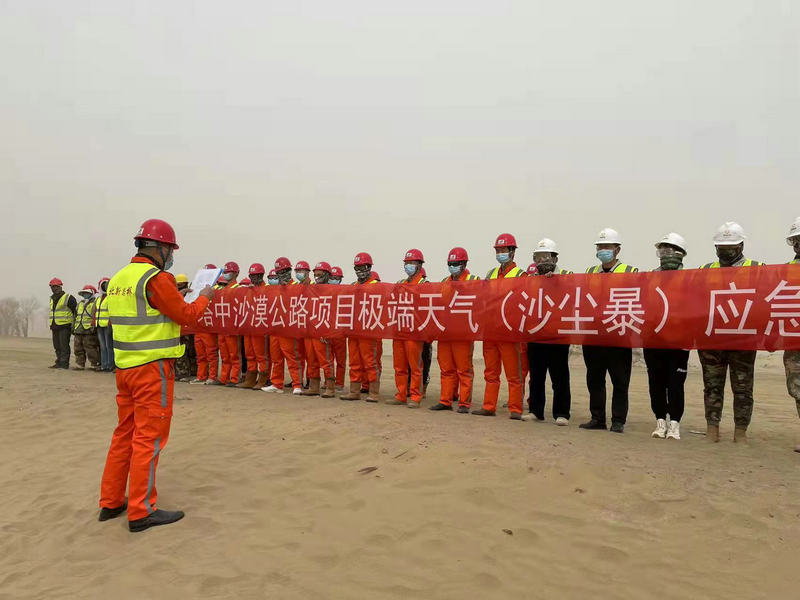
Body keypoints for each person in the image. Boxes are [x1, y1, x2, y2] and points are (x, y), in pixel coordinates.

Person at [99, 218, 214, 532]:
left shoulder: (120, 278)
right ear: (160, 247)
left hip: (125, 369)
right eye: (170, 250)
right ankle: (141, 510)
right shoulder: (157, 278)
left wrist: (176, 295)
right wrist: (205, 296)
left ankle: (111, 501)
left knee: (124, 435)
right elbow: (187, 316)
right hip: (152, 371)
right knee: (148, 439)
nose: (171, 256)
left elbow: (145, 313)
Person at [698, 222, 764, 443]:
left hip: (743, 340)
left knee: (743, 388)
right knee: (712, 386)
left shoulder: (759, 269)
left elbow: (767, 302)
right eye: (721, 247)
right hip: (712, 340)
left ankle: (740, 431)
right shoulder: (704, 270)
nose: (725, 252)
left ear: (741, 245)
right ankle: (712, 428)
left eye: (731, 247)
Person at [473, 233, 527, 419]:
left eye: (503, 250)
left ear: (512, 252)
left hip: (509, 333)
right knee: (491, 372)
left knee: (513, 374)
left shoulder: (521, 275)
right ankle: (489, 406)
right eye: (498, 250)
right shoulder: (491, 274)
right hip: (491, 331)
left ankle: (515, 409)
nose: (500, 253)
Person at [645, 233, 690, 440]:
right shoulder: (649, 277)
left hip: (679, 342)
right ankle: (660, 421)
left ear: (681, 254)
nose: (665, 255)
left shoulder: (691, 278)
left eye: (670, 250)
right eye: (662, 251)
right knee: (656, 383)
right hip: (654, 340)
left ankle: (675, 424)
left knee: (675, 384)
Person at [523, 238, 573, 425]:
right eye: (538, 257)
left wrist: (557, 282)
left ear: (555, 258)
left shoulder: (567, 276)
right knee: (536, 376)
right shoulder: (530, 279)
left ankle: (562, 413)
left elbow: (574, 297)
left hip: (558, 335)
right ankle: (536, 411)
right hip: (536, 333)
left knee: (560, 376)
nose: (542, 261)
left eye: (546, 256)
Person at [430, 247, 479, 413]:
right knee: (446, 368)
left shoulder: (474, 280)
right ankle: (445, 400)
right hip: (445, 333)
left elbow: (480, 304)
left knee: (464, 369)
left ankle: (464, 403)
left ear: (464, 264)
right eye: (450, 264)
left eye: (456, 263)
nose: (452, 267)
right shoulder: (445, 282)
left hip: (463, 333)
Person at [386, 249, 428, 408]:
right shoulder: (400, 283)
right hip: (399, 330)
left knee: (415, 366)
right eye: (407, 263)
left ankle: (416, 396)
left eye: (412, 263)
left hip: (414, 332)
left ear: (419, 265)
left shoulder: (425, 284)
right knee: (399, 366)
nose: (408, 266)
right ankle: (401, 394)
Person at [340, 252, 383, 402]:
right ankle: (354, 391)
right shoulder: (353, 286)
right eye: (357, 268)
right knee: (354, 361)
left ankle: (374, 392)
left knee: (370, 361)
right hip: (353, 330)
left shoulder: (377, 286)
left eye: (362, 267)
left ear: (369, 267)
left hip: (369, 330)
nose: (359, 271)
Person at [262, 257, 305, 395]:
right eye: (279, 272)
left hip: (289, 328)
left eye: (284, 271)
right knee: (276, 358)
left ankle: (297, 384)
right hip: (275, 327)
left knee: (292, 357)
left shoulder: (297, 287)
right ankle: (277, 383)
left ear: (289, 271)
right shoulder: (273, 289)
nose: (281, 274)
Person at [301, 262, 336, 397]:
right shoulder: (311, 289)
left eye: (319, 274)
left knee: (326, 360)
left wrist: (328, 332)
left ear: (327, 275)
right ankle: (313, 386)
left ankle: (330, 387)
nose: (317, 277)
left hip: (323, 331)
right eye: (315, 274)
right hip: (310, 330)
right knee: (311, 360)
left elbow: (334, 313)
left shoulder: (333, 291)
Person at [783, 217, 800, 453]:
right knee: (797, 388)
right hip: (794, 342)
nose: (797, 244)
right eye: (794, 240)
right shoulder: (786, 270)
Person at [239, 263, 271, 390]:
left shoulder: (267, 289)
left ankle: (263, 379)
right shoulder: (248, 290)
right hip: (248, 326)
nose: (253, 278)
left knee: (261, 355)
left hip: (260, 326)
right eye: (251, 275)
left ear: (261, 275)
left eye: (256, 275)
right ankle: (250, 378)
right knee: (249, 354)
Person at [190, 263, 220, 385]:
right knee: (200, 354)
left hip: (209, 327)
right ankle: (201, 376)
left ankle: (212, 376)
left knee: (211, 353)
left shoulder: (216, 289)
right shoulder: (198, 288)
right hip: (198, 326)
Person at [216, 261, 241, 387]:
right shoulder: (222, 289)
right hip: (222, 327)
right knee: (224, 355)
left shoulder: (239, 289)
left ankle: (234, 378)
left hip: (232, 327)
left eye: (229, 272)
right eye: (225, 272)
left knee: (234, 354)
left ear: (236, 273)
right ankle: (224, 378)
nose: (226, 274)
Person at [173, 274, 198, 382]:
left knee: (190, 352)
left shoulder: (190, 294)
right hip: (182, 329)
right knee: (183, 353)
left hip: (188, 329)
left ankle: (189, 372)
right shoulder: (176, 296)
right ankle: (185, 372)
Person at [48, 277, 77, 369]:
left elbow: (75, 312)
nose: (54, 288)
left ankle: (64, 363)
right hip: (54, 325)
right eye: (52, 287)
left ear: (60, 286)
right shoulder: (52, 298)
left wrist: (74, 325)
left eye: (56, 286)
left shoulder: (68, 298)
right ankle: (59, 362)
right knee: (57, 346)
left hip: (65, 326)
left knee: (64, 346)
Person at [73, 284, 101, 371]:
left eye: (87, 293)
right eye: (84, 293)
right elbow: (75, 316)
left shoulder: (95, 303)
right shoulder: (80, 304)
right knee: (78, 348)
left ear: (92, 293)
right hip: (78, 329)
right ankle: (80, 364)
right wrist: (73, 327)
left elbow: (96, 316)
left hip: (89, 330)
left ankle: (94, 364)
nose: (85, 295)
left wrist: (94, 327)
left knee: (90, 347)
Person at [328, 266, 347, 391]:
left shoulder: (345, 293)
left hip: (340, 332)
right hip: (328, 331)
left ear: (340, 279)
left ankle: (339, 383)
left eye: (336, 278)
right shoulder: (325, 293)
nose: (333, 280)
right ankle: (328, 382)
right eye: (332, 278)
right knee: (328, 360)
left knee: (340, 360)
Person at [95, 277, 115, 373]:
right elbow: (95, 311)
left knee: (108, 346)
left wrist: (110, 322)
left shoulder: (111, 298)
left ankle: (110, 365)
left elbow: (113, 311)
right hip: (99, 325)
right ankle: (104, 365)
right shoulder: (98, 299)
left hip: (107, 326)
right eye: (103, 285)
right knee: (102, 347)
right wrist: (94, 322)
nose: (104, 287)